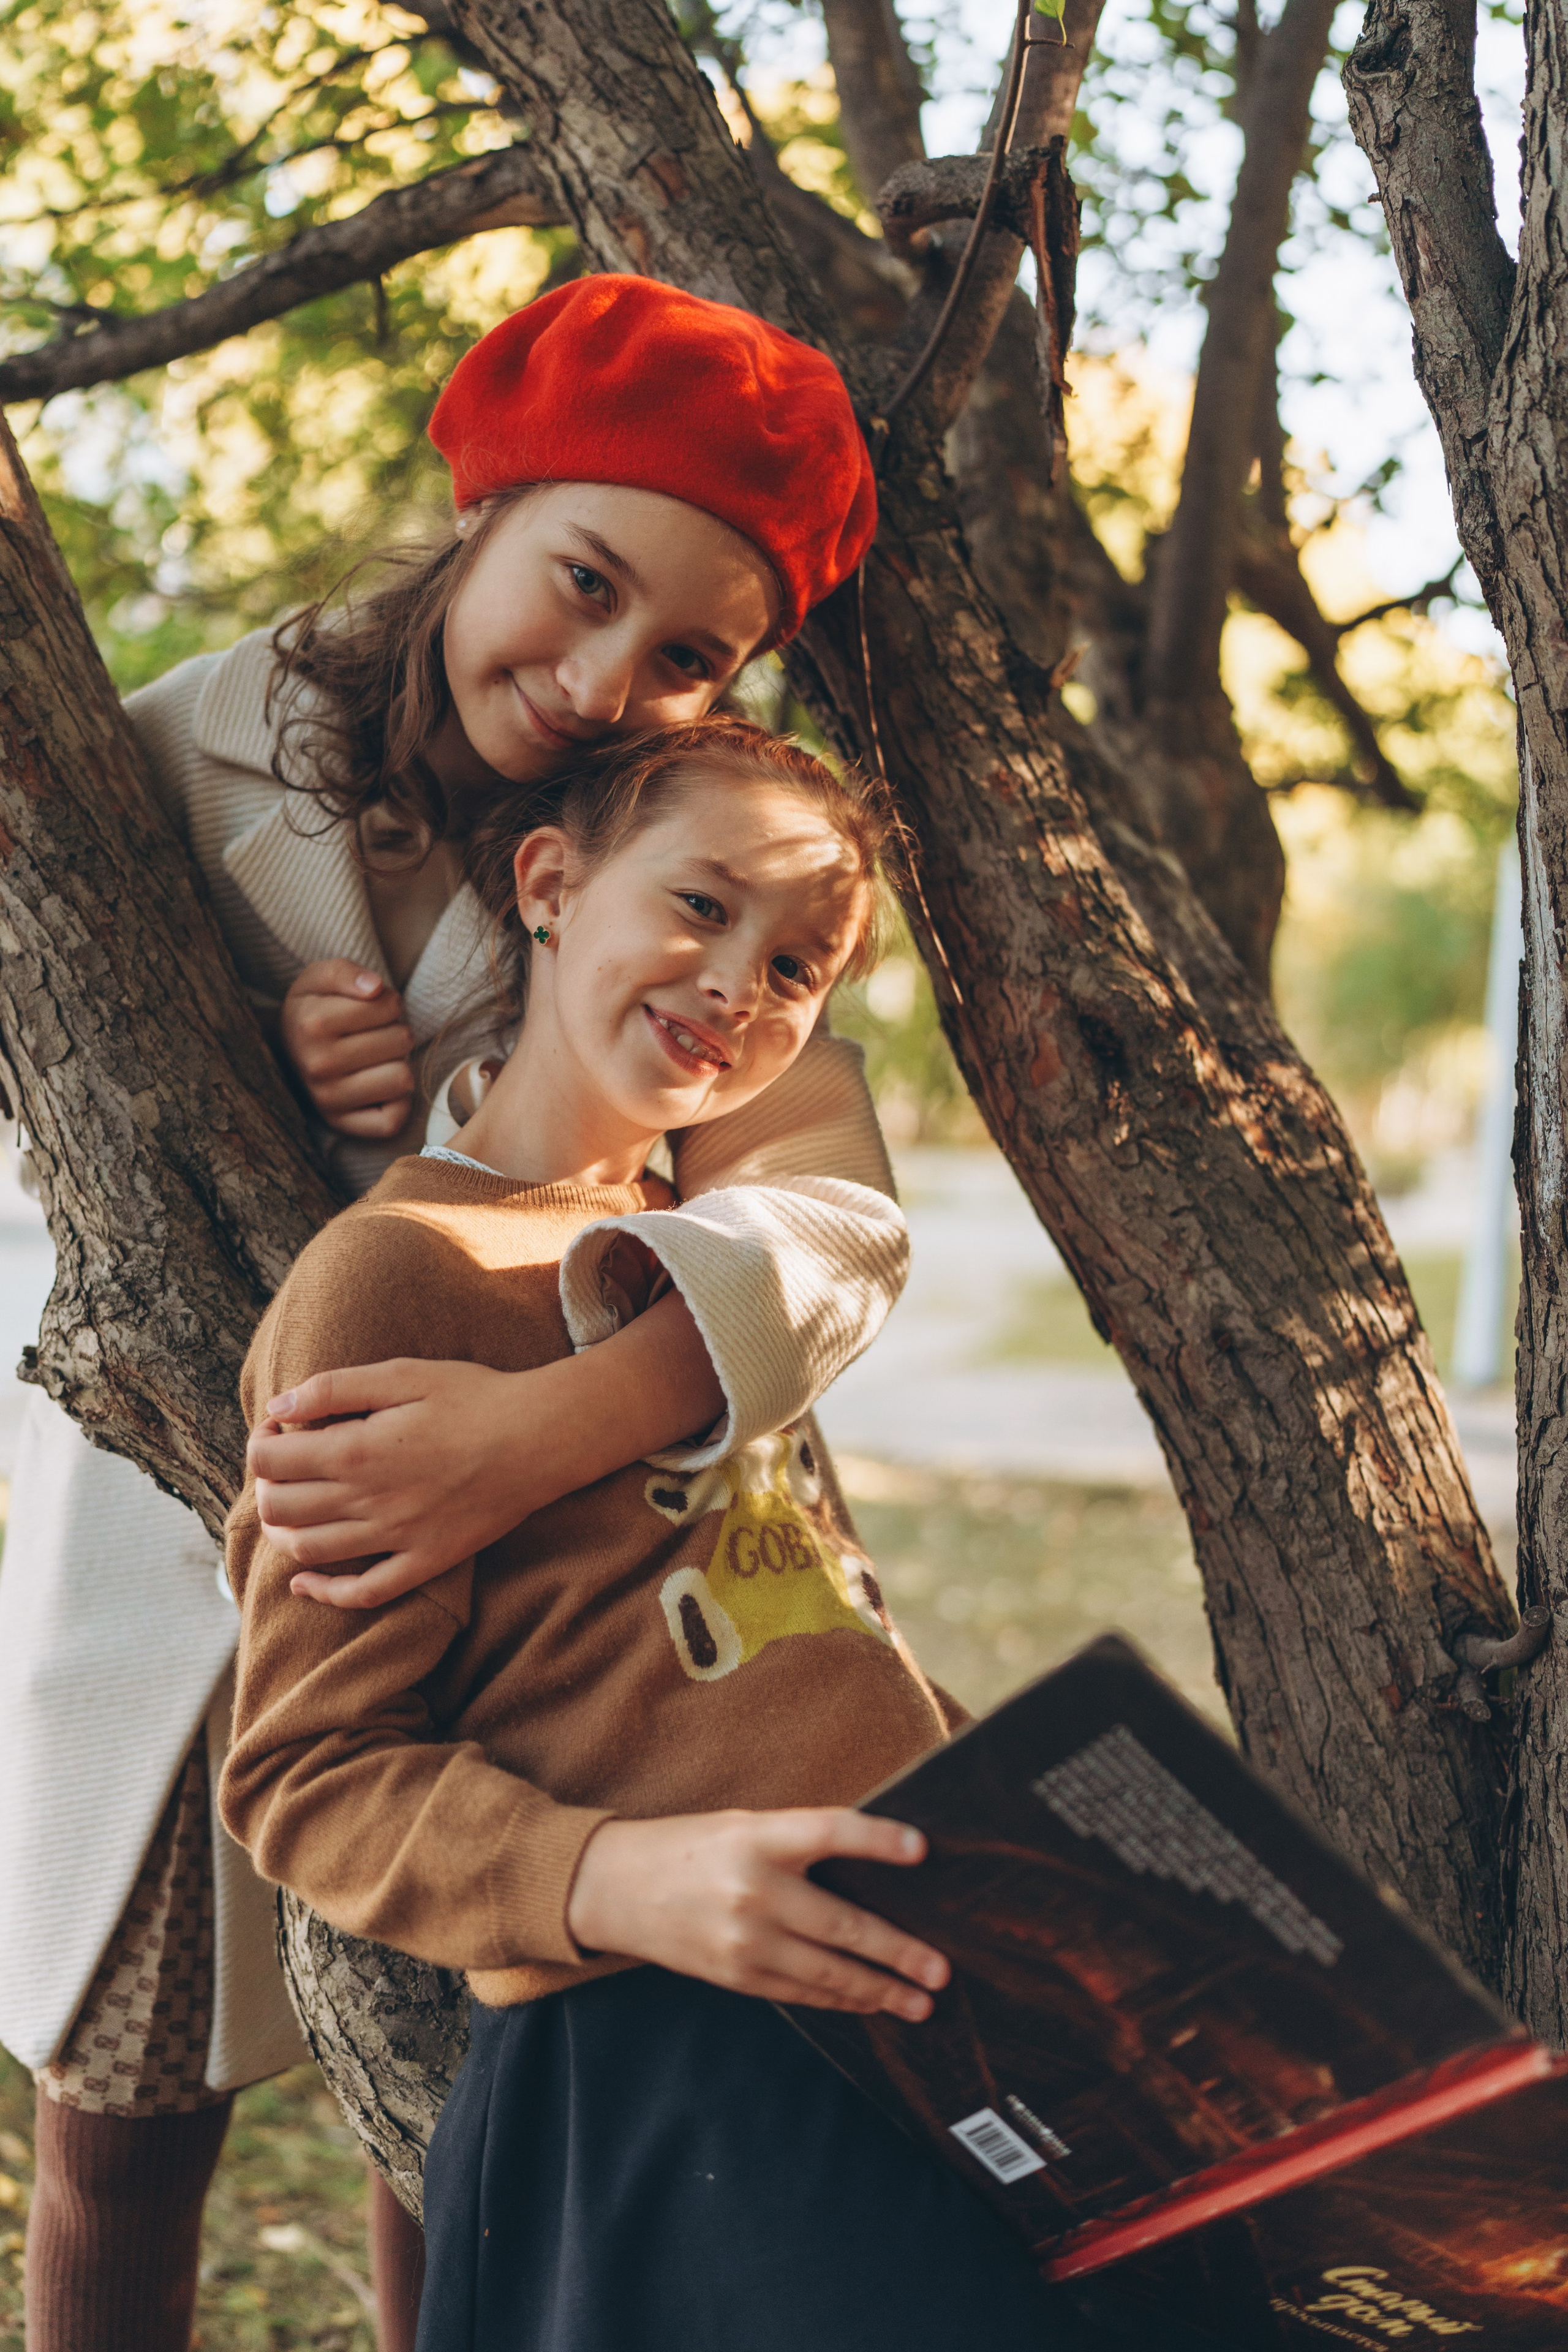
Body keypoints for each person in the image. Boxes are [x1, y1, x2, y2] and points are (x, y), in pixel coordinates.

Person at [2, 276, 906, 2352]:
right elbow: (39, 1049)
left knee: (457, 2101)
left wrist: (558, 1425)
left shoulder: (692, 873)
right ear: (479, 511)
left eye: (687, 655)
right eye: (578, 585)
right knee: (123, 2106)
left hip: (551, 1594)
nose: (601, 680)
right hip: (205, 1524)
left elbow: (828, 1213)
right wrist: (238, 1049)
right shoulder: (193, 747)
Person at [220, 716, 1097, 2352]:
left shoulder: (702, 1278)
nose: (735, 988)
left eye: (795, 967)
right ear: (549, 883)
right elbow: (306, 1773)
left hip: (921, 1980)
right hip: (667, 2047)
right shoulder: (389, 1276)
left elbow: (782, 1615)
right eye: (699, 907)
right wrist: (624, 1880)